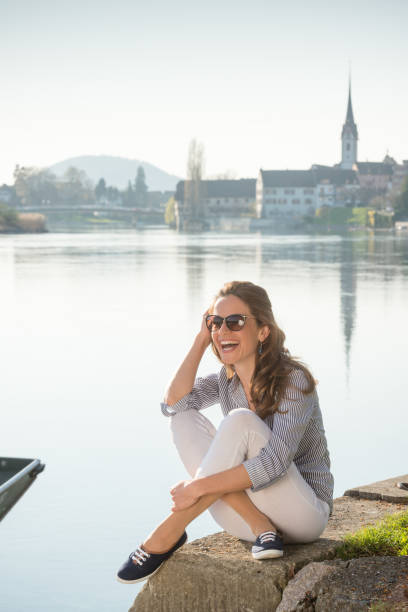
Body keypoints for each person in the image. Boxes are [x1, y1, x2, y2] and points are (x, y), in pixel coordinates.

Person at [117, 281, 333, 584]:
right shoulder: (225, 381)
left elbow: (274, 463)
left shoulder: (293, 380)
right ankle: (261, 526)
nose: (223, 331)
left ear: (263, 331)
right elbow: (173, 404)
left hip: (303, 516)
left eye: (235, 322)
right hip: (250, 522)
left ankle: (169, 530)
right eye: (216, 323)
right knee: (182, 418)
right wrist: (200, 341)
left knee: (240, 421)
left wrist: (196, 488)